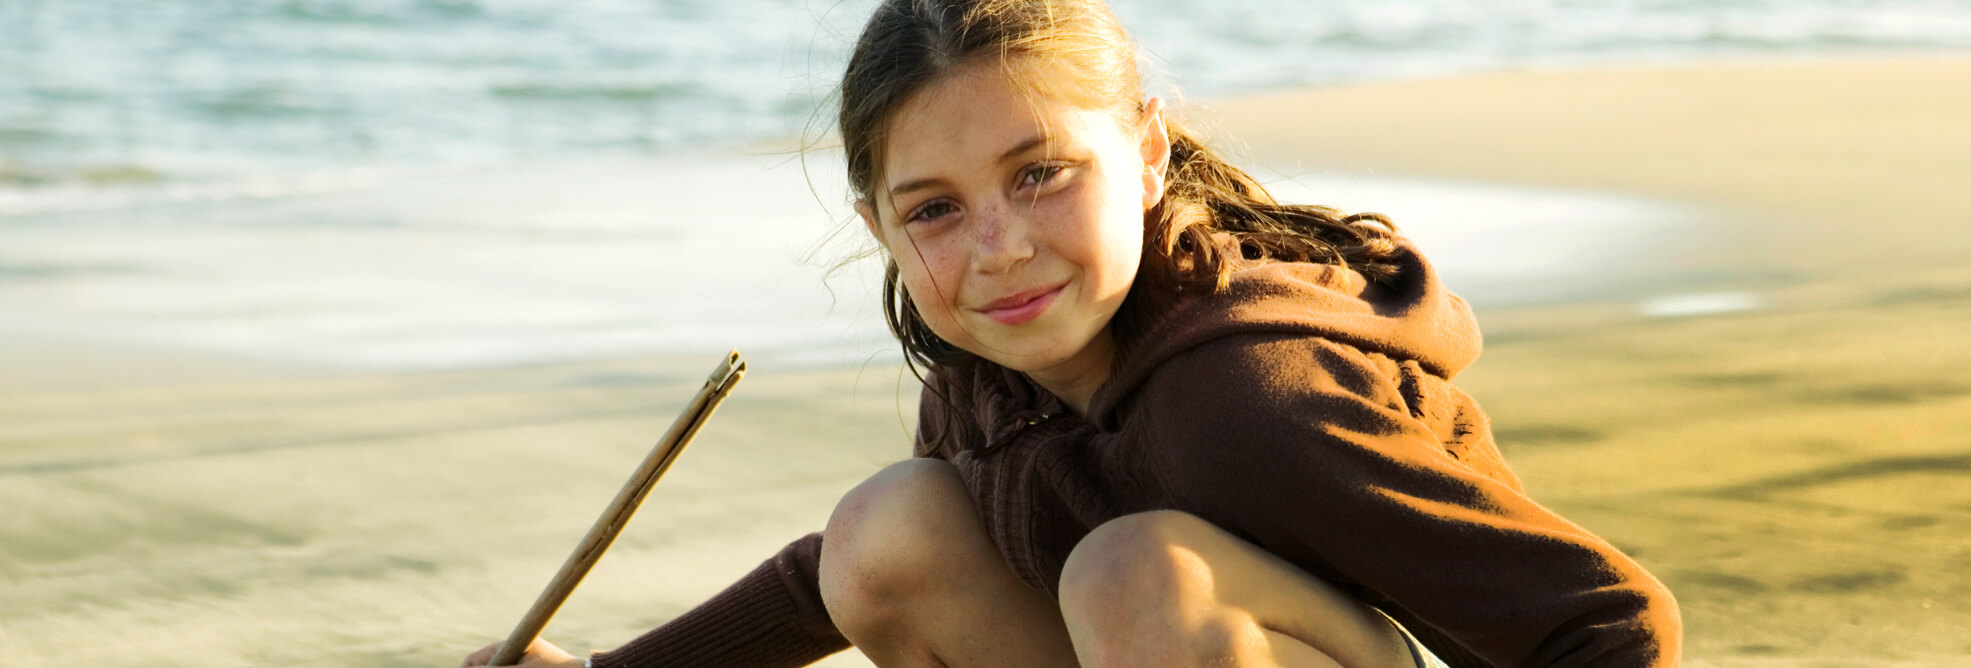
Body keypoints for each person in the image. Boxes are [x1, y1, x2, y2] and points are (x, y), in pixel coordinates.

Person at [462, 0, 1682, 666]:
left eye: (1040, 173)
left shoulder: (1251, 396)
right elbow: (820, 587)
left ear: (1146, 151)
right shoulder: (987, 362)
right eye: (933, 209)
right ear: (878, 224)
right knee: (890, 525)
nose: (995, 247)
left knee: (1133, 571)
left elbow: (1608, 619)